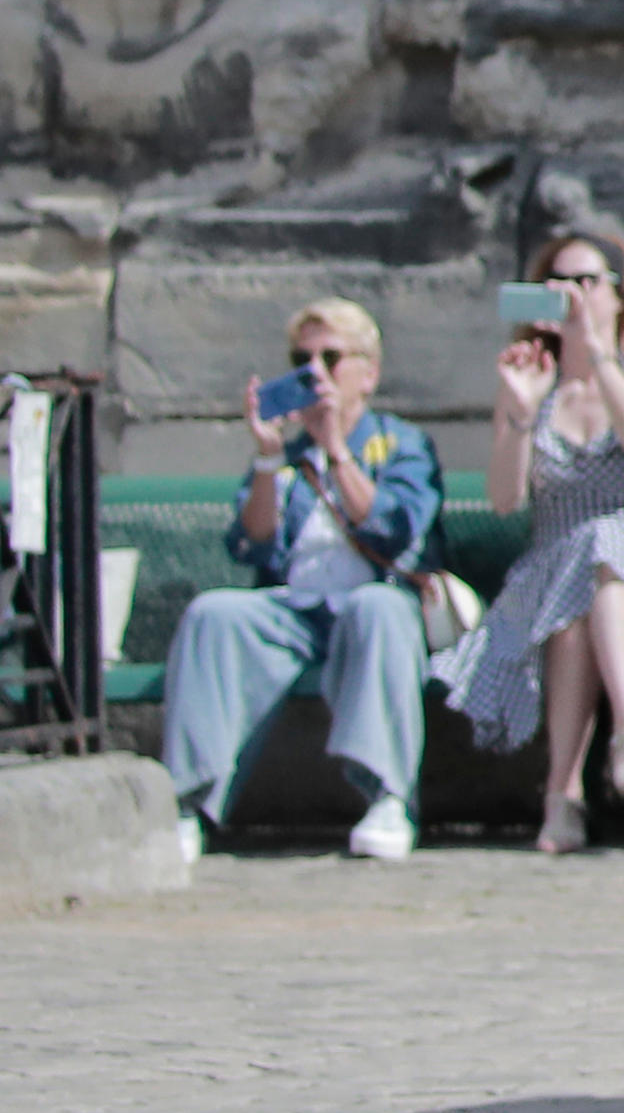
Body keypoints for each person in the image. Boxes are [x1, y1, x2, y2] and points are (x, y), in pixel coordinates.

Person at [156, 299, 443, 863]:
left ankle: (387, 796)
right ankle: (187, 803)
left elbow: (395, 528)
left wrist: (337, 449)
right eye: (301, 359)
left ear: (369, 372)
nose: (315, 372)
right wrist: (266, 459)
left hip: (375, 603)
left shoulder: (402, 444)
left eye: (331, 357)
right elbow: (253, 544)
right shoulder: (288, 455)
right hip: (293, 610)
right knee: (214, 614)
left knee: (377, 611)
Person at [436, 224, 624, 854]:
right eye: (558, 283)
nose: (572, 296)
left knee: (606, 548)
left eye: (586, 282)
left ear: (618, 294)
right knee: (577, 589)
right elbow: (504, 498)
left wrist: (600, 355)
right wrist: (522, 413)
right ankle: (609, 758)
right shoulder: (531, 379)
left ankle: (573, 784)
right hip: (547, 573)